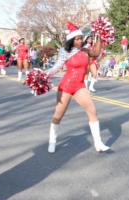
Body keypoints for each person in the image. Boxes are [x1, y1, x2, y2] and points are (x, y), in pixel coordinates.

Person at [46, 21, 110, 153]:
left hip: (80, 86)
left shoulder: (86, 50)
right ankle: (52, 141)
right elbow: (57, 67)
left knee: (92, 111)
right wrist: (44, 75)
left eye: (81, 38)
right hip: (66, 86)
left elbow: (96, 52)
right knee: (58, 115)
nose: (81, 40)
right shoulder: (65, 51)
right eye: (78, 39)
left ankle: (98, 143)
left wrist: (100, 36)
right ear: (72, 40)